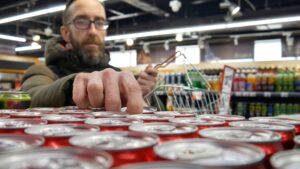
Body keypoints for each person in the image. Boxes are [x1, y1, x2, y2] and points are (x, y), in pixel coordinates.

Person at [21, 0, 158, 114]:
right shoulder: (42, 71)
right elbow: (30, 99)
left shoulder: (118, 73)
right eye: (81, 21)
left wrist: (143, 95)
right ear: (66, 33)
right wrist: (77, 85)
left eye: (99, 23)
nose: (93, 31)